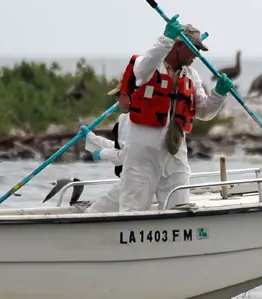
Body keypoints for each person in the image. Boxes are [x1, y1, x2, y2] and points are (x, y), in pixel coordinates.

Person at [116, 15, 233, 212]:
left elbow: (204, 112)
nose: (197, 55)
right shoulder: (150, 66)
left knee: (180, 206)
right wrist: (165, 39)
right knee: (133, 205)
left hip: (175, 150)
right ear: (179, 45)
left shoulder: (191, 76)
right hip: (143, 151)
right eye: (194, 48)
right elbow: (142, 69)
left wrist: (218, 95)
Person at [78, 84, 130, 214]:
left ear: (129, 96)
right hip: (131, 181)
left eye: (119, 96)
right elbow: (118, 146)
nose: (117, 101)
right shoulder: (126, 120)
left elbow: (127, 156)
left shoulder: (133, 121)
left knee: (92, 213)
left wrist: (102, 154)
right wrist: (92, 138)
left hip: (133, 182)